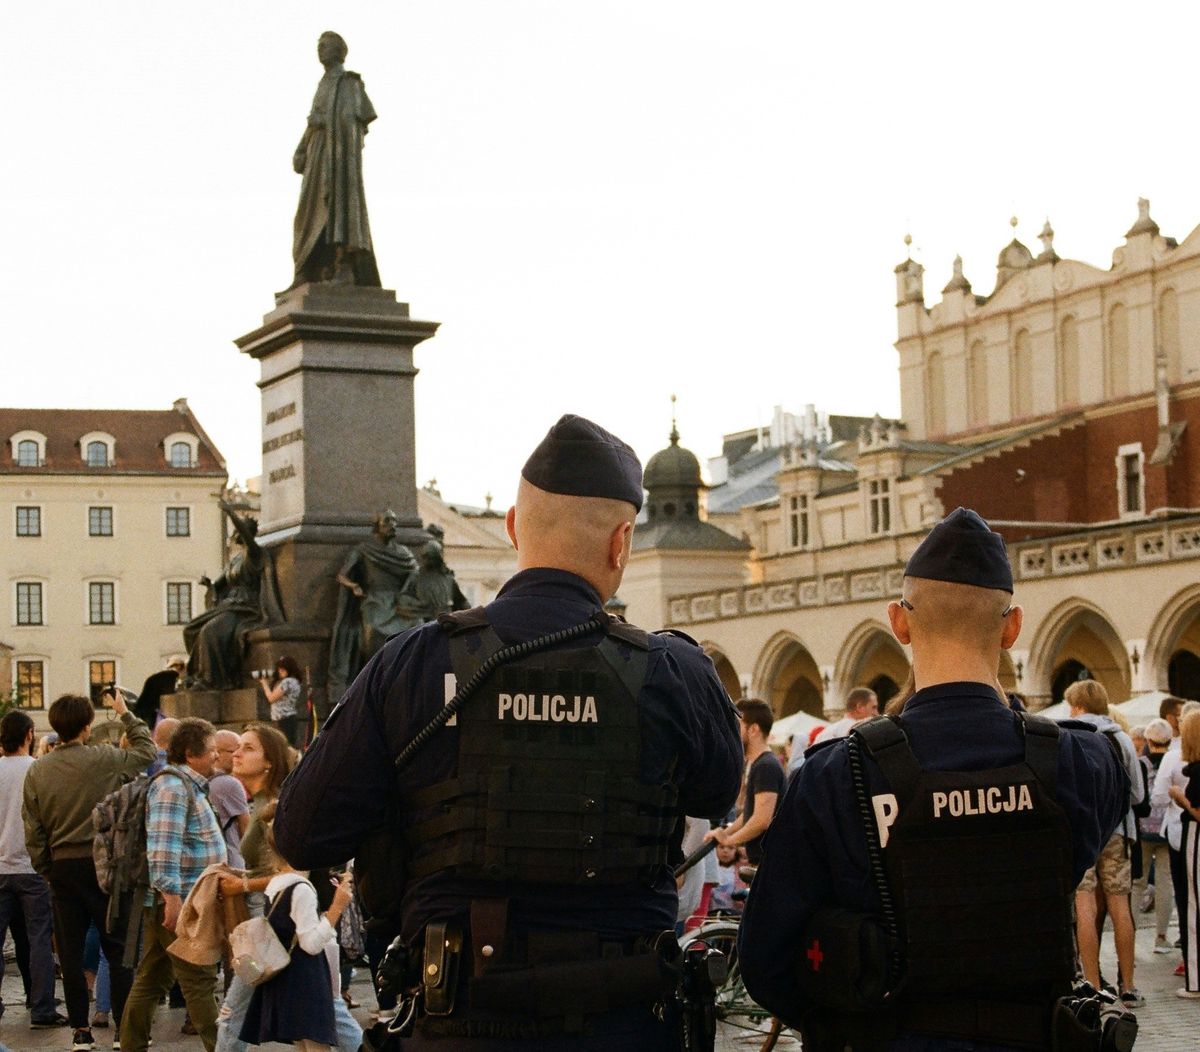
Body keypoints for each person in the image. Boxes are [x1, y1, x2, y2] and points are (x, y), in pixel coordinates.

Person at [274, 414, 742, 1050]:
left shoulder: (412, 663)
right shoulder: (673, 671)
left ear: (515, 527)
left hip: (455, 1014)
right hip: (624, 1019)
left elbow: (303, 831)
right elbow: (716, 793)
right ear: (622, 542)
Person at [739, 507, 1128, 1050]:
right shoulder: (1081, 764)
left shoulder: (833, 775)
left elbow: (766, 962)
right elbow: (1109, 770)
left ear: (898, 622)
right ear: (1013, 627)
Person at [23, 690, 155, 1052]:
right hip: (108, 863)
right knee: (120, 949)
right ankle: (123, 1030)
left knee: (69, 948)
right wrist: (126, 714)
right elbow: (147, 751)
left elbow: (33, 829)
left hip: (63, 864)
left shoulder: (38, 770)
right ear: (88, 724)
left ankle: (81, 1030)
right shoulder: (107, 758)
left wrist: (47, 868)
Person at [120, 719, 227, 1052]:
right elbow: (164, 847)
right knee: (199, 980)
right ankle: (221, 1047)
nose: (217, 758)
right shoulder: (173, 787)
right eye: (211, 751)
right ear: (191, 753)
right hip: (185, 902)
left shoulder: (187, 785)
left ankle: (132, 1044)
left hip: (187, 898)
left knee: (153, 976)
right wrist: (172, 898)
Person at [238, 801, 357, 1051]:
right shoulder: (301, 888)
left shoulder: (276, 885)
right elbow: (311, 944)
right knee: (316, 1047)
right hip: (307, 981)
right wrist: (337, 907)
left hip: (287, 982)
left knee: (303, 1047)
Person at [1063, 678, 1145, 1007]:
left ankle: (1093, 985)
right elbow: (1137, 793)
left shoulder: (1066, 734)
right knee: (1120, 906)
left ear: (1079, 706)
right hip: (1117, 830)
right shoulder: (1121, 737)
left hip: (1081, 831)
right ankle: (1128, 985)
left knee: (1085, 907)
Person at [291, 31, 380, 288]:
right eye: (318, 45)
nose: (320, 49)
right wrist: (301, 148)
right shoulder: (323, 84)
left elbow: (352, 125)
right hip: (317, 155)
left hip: (338, 160)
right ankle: (310, 269)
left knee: (338, 206)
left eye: (325, 45)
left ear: (340, 51)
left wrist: (327, 131)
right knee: (306, 215)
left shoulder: (349, 83)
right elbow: (313, 121)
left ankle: (344, 266)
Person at [0, 711, 64, 1029]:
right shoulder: (39, 770)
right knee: (39, 936)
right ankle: (42, 1006)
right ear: (29, 734)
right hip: (31, 866)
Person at [328, 509, 417, 698]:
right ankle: (373, 680)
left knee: (418, 625)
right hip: (374, 601)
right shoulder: (363, 549)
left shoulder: (404, 553)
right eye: (387, 522)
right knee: (372, 632)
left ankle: (411, 679)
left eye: (394, 522)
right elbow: (342, 575)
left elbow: (415, 574)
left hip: (399, 601)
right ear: (377, 526)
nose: (392, 525)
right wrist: (354, 586)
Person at [184, 503, 267, 690]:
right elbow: (220, 585)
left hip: (246, 608)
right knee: (191, 629)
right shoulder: (236, 559)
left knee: (209, 632)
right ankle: (197, 673)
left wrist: (231, 514)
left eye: (238, 529)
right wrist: (209, 585)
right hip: (229, 605)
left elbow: (247, 536)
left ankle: (210, 680)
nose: (235, 533)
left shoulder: (255, 554)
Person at [706, 698, 785, 865]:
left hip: (770, 861)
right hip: (762, 860)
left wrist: (729, 841)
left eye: (738, 725)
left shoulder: (766, 766)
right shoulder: (758, 764)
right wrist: (726, 832)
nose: (733, 732)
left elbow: (761, 820)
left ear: (753, 729)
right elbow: (750, 814)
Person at [1136, 717, 1175, 953]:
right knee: (1164, 882)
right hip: (1166, 828)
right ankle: (1161, 937)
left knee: (1137, 883)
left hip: (1142, 828)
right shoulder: (1173, 760)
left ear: (1149, 741)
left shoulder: (1140, 763)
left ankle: (1129, 936)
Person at [1168, 709, 1200, 999]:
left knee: (1193, 907)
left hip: (1196, 840)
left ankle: (1195, 982)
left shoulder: (1198, 771)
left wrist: (1180, 798)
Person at [789, 687, 879, 774]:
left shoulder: (828, 731)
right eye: (873, 707)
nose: (876, 713)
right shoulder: (853, 730)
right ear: (859, 707)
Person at [210, 730, 251, 870]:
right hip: (232, 862)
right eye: (234, 749)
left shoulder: (202, 780)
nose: (239, 754)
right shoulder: (230, 784)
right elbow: (246, 830)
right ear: (218, 753)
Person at [257, 656, 304, 748]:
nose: (279, 671)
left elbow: (271, 698)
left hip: (283, 719)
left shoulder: (287, 682)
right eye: (279, 669)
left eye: (282, 669)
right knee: (288, 745)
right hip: (289, 718)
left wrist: (264, 684)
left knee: (282, 746)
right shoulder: (295, 681)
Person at [134, 656, 186, 726]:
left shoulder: (158, 677)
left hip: (146, 714)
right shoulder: (170, 677)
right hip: (153, 714)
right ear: (179, 667)